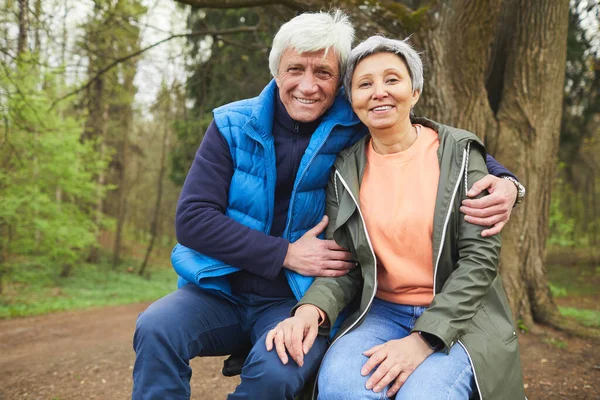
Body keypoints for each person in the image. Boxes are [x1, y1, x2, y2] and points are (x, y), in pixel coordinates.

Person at [132, 11, 523, 400]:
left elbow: (424, 135)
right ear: (276, 71)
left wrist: (507, 181)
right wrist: (285, 253)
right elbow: (192, 220)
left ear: (339, 84)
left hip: (294, 297)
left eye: (323, 73)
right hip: (221, 288)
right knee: (155, 328)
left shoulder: (354, 124)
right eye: (294, 69)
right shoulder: (232, 125)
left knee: (277, 371)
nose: (307, 85)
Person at [266, 36, 525, 399]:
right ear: (352, 100)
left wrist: (422, 340)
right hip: (381, 312)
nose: (379, 92)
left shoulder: (459, 154)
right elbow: (347, 263)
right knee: (342, 387)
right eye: (365, 84)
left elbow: (478, 264)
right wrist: (311, 309)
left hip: (461, 316)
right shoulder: (346, 169)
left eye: (392, 79)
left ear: (415, 91)